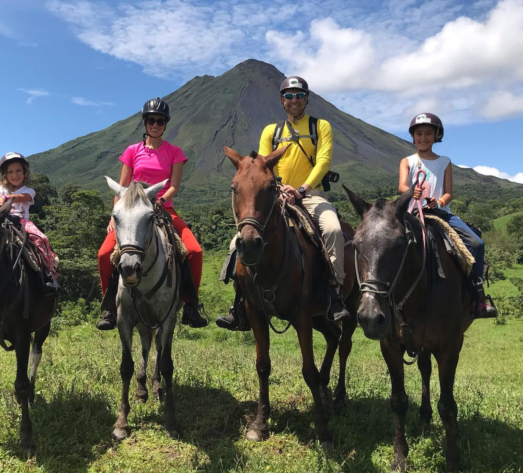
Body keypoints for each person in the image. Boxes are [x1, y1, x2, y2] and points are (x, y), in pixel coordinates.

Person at [216, 76, 350, 330]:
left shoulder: (321, 126)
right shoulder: (271, 131)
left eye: (299, 95)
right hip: (276, 196)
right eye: (288, 96)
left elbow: (323, 161)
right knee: (239, 241)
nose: (294, 101)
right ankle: (239, 302)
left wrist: (301, 190)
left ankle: (334, 294)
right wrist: (279, 189)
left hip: (311, 195)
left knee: (333, 230)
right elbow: (261, 168)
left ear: (307, 99)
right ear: (281, 100)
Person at [96, 97, 208, 330]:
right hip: (131, 213)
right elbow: (122, 184)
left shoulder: (175, 152)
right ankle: (109, 307)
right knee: (104, 253)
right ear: (144, 123)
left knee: (195, 251)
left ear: (165, 124)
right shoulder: (132, 151)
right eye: (151, 120)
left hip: (163, 208)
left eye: (160, 120)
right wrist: (112, 216)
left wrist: (161, 200)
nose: (155, 124)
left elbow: (174, 185)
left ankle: (191, 305)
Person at [398, 112, 497, 318]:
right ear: (413, 136)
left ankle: (476, 298)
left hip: (441, 213)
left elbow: (449, 192)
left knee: (477, 243)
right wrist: (410, 191)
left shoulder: (444, 162)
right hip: (412, 213)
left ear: (436, 136)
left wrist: (439, 201)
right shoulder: (407, 161)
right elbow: (401, 186)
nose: (423, 138)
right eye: (418, 134)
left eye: (428, 133)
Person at [0, 152, 58, 294]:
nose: (15, 175)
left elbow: (23, 197)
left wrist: (5, 198)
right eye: (10, 172)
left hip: (21, 221)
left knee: (42, 240)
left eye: (18, 171)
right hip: (1, 219)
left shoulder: (29, 190)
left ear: (25, 172)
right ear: (5, 174)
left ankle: (48, 274)